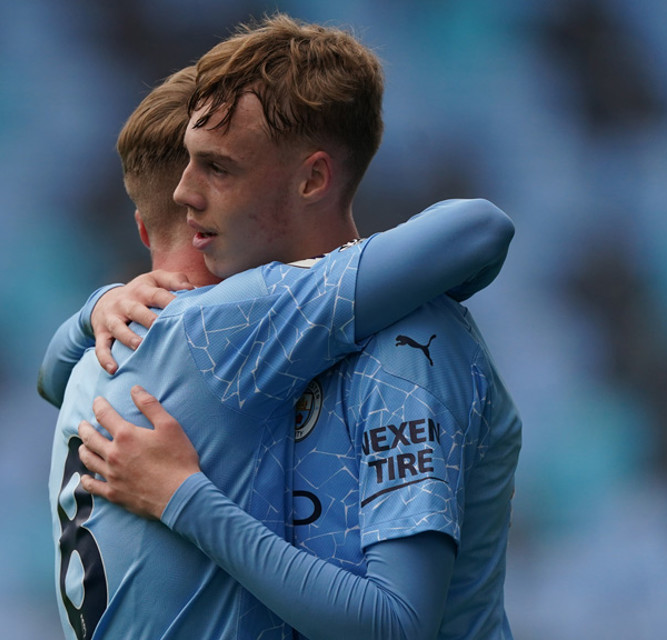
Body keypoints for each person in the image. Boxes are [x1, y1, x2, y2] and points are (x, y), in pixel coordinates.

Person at [39, 15, 514, 640]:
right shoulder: (242, 339)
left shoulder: (406, 349)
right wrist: (97, 308)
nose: (185, 191)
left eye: (219, 167)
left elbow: (398, 628)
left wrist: (185, 497)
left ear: (312, 178)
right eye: (188, 163)